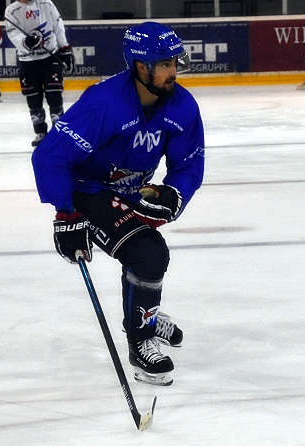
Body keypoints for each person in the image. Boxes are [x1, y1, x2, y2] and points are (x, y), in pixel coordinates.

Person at [31, 21, 204, 387]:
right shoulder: (105, 103)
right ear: (141, 66)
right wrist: (66, 214)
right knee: (148, 253)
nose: (174, 71)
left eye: (175, 62)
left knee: (146, 257)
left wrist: (174, 193)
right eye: (165, 64)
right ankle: (141, 341)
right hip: (86, 191)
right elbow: (49, 156)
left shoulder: (182, 106)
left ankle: (147, 317)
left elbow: (188, 165)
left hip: (127, 192)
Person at [4, 0, 74, 145]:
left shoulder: (46, 4)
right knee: (33, 99)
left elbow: (57, 26)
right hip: (27, 61)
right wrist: (25, 42)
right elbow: (13, 34)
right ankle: (40, 132)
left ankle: (58, 132)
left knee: (54, 95)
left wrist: (65, 49)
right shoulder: (12, 10)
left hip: (50, 57)